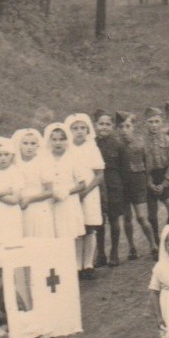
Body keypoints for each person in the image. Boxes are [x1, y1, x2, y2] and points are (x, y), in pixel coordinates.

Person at [67, 112, 106, 278]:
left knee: (89, 227)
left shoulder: (92, 148)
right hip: (73, 192)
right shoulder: (67, 148)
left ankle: (88, 265)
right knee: (76, 228)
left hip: (89, 192)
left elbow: (99, 175)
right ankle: (76, 265)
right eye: (75, 128)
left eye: (83, 128)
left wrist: (86, 191)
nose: (79, 131)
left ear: (88, 130)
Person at [117, 111, 159, 259]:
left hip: (138, 185)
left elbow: (148, 165)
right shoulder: (117, 145)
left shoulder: (141, 144)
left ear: (133, 127)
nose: (124, 130)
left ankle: (153, 245)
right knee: (127, 218)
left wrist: (147, 182)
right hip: (123, 187)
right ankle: (132, 247)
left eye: (127, 126)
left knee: (142, 217)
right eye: (121, 127)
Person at [43, 122, 87, 256]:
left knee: (68, 235)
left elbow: (82, 184)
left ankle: (74, 267)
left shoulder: (72, 158)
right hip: (50, 202)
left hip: (68, 202)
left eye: (62, 139)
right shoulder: (44, 158)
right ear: (48, 140)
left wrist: (67, 191)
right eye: (54, 139)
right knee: (52, 235)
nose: (58, 143)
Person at [93, 111, 130, 266]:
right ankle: (101, 253)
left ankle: (114, 252)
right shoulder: (91, 144)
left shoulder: (119, 145)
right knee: (98, 221)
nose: (104, 127)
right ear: (95, 125)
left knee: (114, 220)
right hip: (97, 187)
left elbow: (125, 169)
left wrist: (123, 189)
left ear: (113, 127)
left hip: (114, 186)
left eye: (108, 124)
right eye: (101, 124)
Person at [141, 106, 169, 243]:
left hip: (165, 177)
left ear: (162, 122)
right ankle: (156, 242)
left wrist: (165, 183)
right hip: (149, 178)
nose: (154, 125)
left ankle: (168, 236)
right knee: (151, 215)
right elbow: (142, 165)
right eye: (151, 122)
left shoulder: (168, 140)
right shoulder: (142, 143)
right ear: (145, 123)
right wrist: (149, 183)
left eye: (157, 121)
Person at [12, 128, 57, 240]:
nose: (29, 147)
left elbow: (49, 191)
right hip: (17, 206)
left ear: (38, 145)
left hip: (38, 206)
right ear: (19, 144)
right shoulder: (14, 163)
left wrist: (29, 199)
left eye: (33, 143)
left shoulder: (42, 163)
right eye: (25, 143)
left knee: (39, 240)